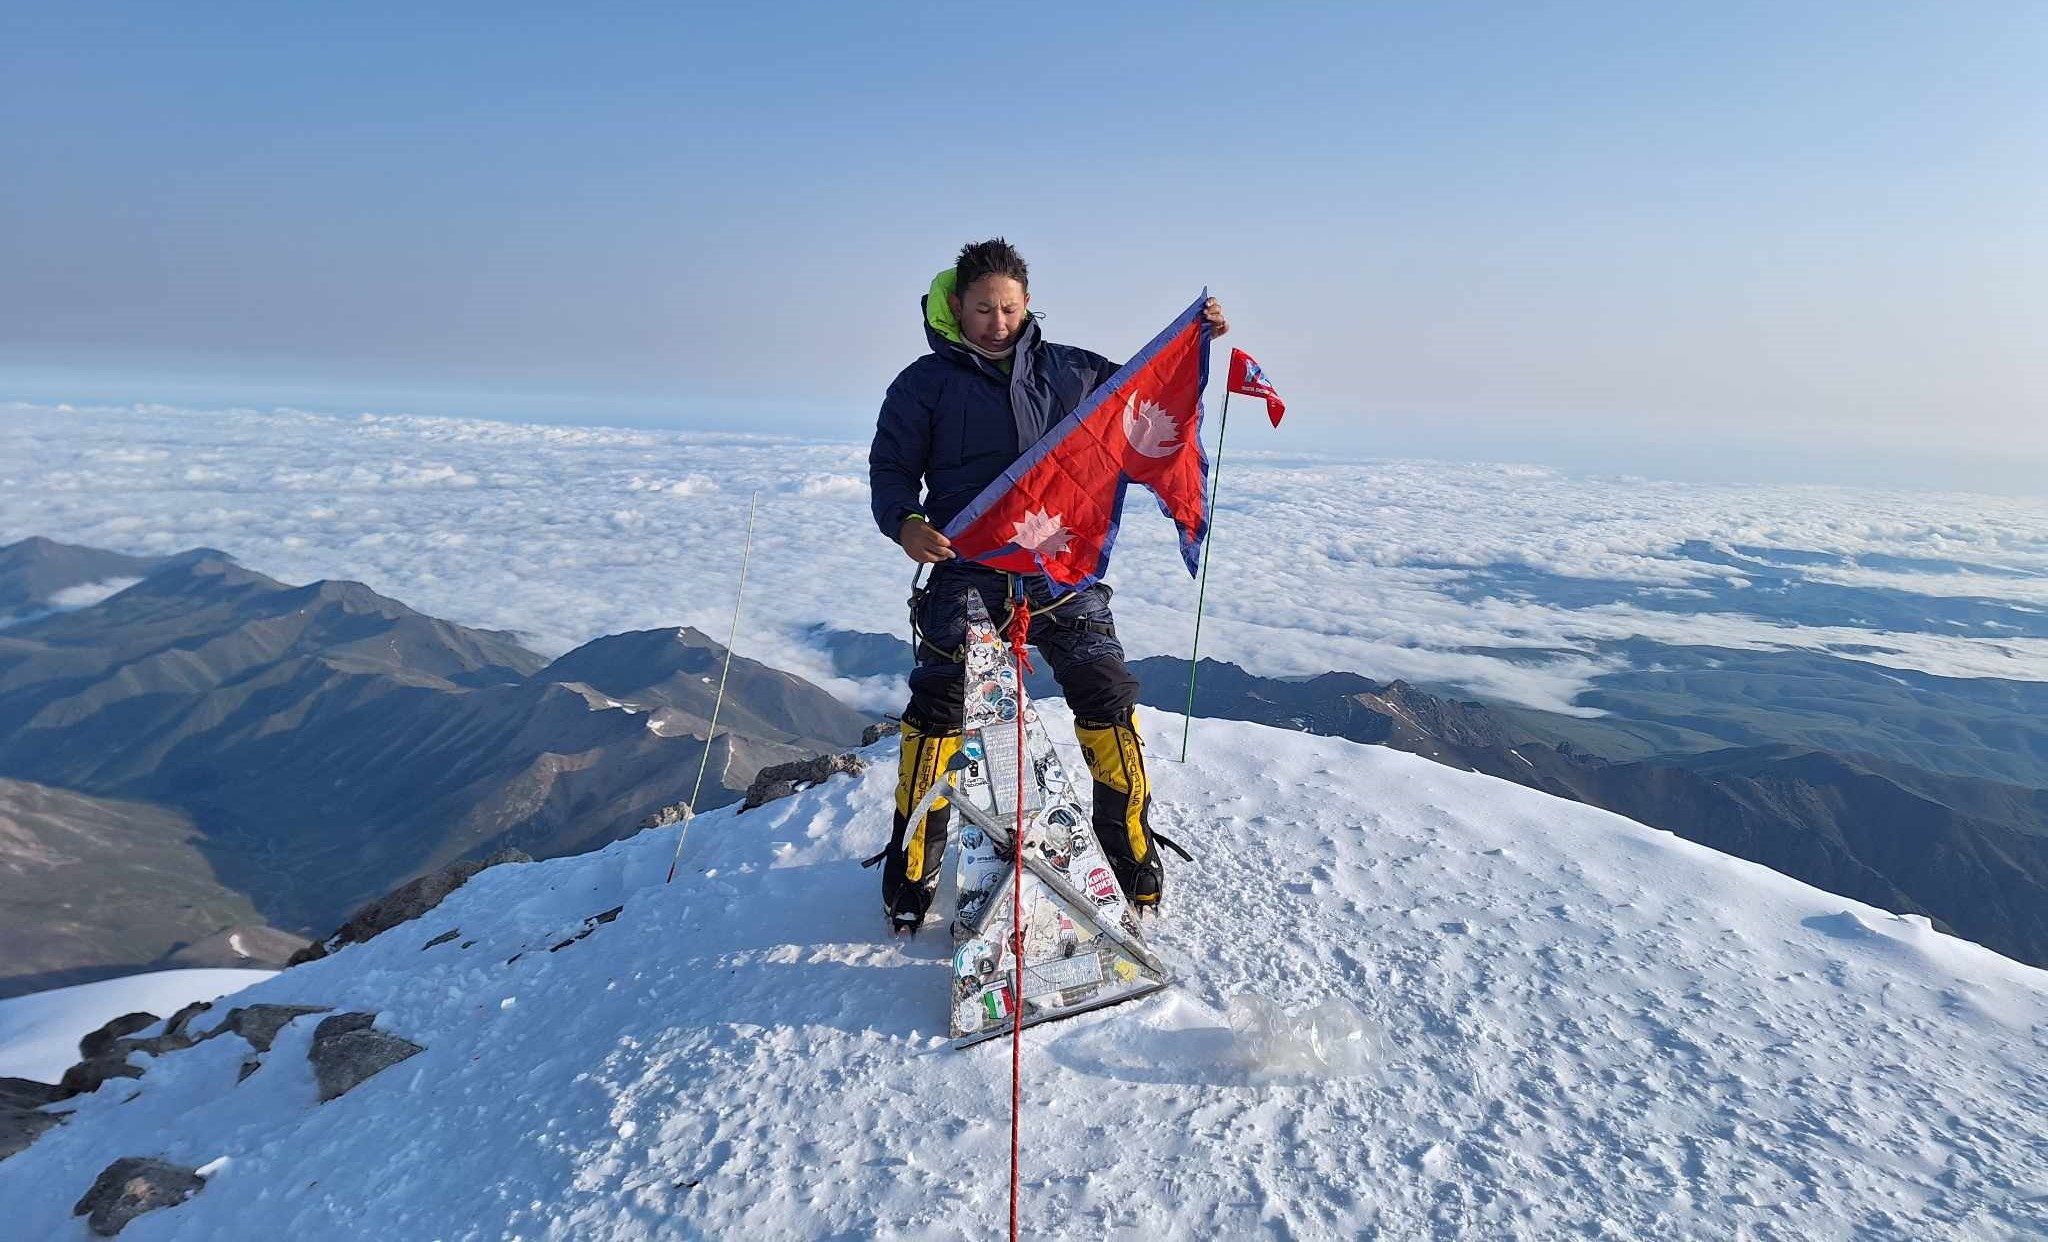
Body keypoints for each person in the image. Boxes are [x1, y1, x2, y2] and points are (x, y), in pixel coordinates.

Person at [867, 238, 1228, 932]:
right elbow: (891, 473)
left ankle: (1131, 853)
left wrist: (1199, 341)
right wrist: (906, 523)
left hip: (1063, 568)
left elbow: (1151, 394)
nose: (996, 322)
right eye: (981, 309)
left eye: (1007, 307)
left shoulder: (1074, 372)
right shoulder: (922, 385)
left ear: (1027, 304)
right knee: (941, 707)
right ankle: (911, 868)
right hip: (966, 567)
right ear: (956, 306)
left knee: (1106, 693)